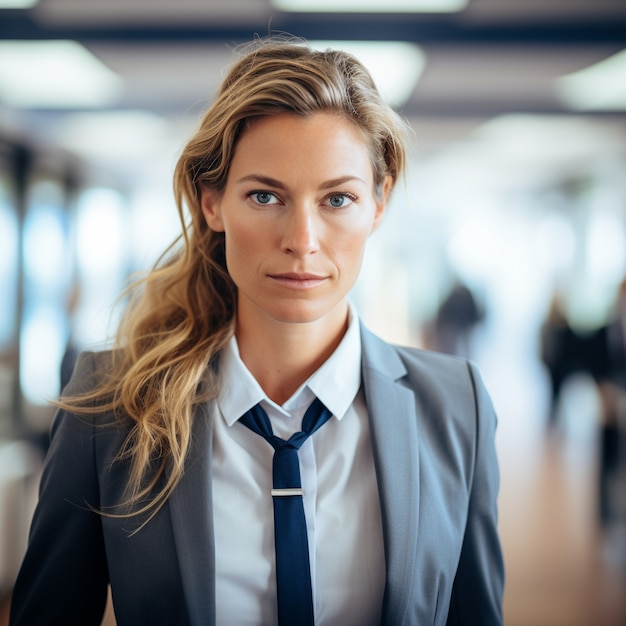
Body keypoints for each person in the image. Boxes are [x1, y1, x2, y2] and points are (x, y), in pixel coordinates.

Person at [9, 37, 504, 626]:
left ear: (378, 202)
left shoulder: (456, 406)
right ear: (212, 203)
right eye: (265, 195)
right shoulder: (112, 405)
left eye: (337, 198)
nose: (302, 239)